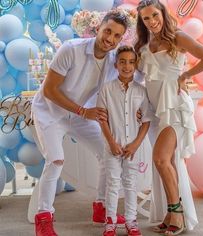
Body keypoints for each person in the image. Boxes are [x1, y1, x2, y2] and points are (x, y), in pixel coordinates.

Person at [32, 10, 129, 236]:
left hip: (78, 115)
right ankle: (43, 218)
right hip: (50, 111)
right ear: (98, 28)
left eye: (117, 36)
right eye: (108, 31)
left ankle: (102, 208)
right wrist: (83, 111)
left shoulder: (112, 60)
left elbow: (131, 78)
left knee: (108, 153)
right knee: (56, 161)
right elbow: (49, 90)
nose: (110, 39)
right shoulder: (71, 49)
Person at [134, 0, 203, 235]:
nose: (152, 21)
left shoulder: (178, 37)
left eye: (154, 15)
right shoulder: (143, 43)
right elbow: (141, 77)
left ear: (163, 13)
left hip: (174, 107)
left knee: (161, 159)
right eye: (146, 18)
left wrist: (185, 76)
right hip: (154, 109)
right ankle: (171, 213)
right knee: (166, 163)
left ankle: (177, 212)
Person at [97, 46, 152, 236]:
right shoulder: (106, 89)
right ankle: (110, 222)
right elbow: (102, 119)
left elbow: (146, 121)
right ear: (116, 64)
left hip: (132, 147)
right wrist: (111, 142)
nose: (127, 66)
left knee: (130, 183)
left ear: (136, 65)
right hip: (112, 145)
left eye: (131, 62)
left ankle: (131, 221)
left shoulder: (141, 91)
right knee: (112, 184)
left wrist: (136, 144)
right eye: (122, 61)